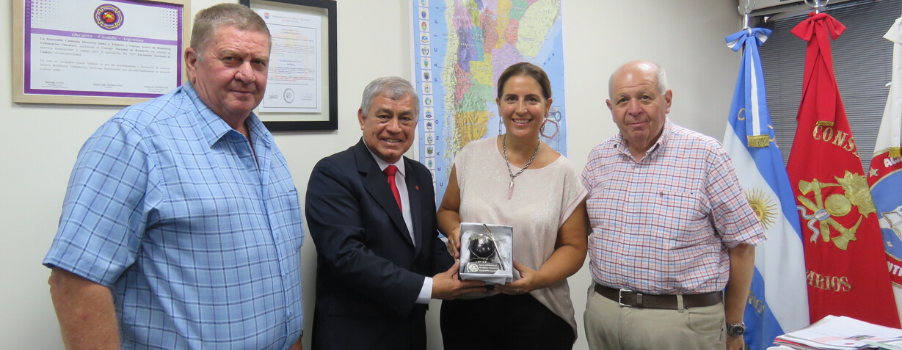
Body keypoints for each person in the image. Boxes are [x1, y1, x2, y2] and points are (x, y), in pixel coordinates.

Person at [42, 4, 304, 350]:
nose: (247, 74)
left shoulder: (264, 142)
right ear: (192, 62)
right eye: (230, 59)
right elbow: (74, 280)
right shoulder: (136, 139)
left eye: (259, 63)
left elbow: (279, 268)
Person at [581, 60, 766, 350]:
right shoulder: (598, 159)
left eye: (645, 97)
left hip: (681, 324)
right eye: (622, 100)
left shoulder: (707, 155)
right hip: (604, 315)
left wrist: (733, 326)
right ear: (610, 108)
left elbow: (742, 245)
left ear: (666, 101)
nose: (634, 110)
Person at [304, 77, 485, 350]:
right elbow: (347, 257)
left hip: (409, 333)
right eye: (384, 116)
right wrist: (429, 288)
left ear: (415, 124)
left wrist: (470, 267)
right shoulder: (333, 173)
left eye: (405, 118)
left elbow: (423, 247)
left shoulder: (419, 175)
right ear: (362, 118)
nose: (394, 128)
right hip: (354, 336)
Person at [437, 62, 589, 350]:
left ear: (547, 105)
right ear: (498, 104)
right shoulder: (470, 156)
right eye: (511, 98)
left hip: (539, 308)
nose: (521, 109)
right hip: (468, 305)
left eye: (531, 99)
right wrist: (455, 231)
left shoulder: (564, 173)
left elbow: (575, 247)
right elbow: (446, 211)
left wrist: (538, 279)